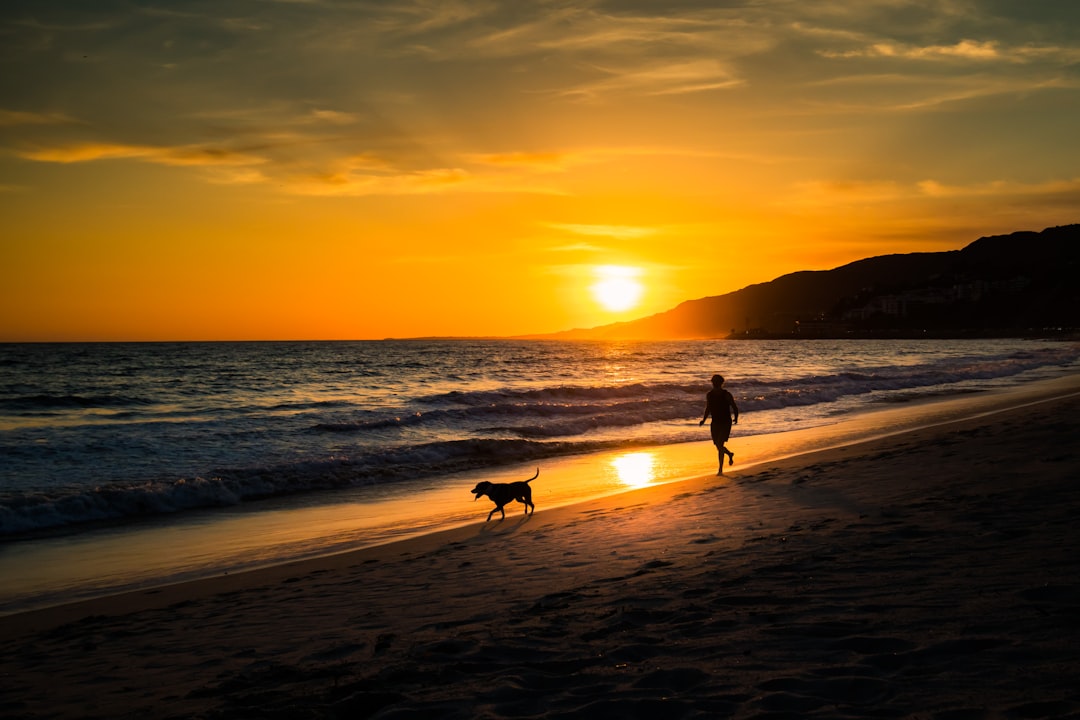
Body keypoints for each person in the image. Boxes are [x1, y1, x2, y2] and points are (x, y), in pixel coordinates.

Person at [700, 374, 739, 475]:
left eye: (716, 381)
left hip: (725, 422)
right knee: (718, 445)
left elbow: (734, 406)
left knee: (719, 444)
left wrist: (736, 417)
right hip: (715, 422)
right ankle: (729, 454)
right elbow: (708, 408)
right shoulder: (709, 395)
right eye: (713, 381)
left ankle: (720, 469)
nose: (714, 383)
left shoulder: (726, 394)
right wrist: (703, 420)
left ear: (721, 383)